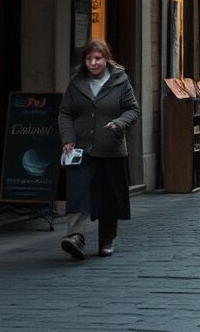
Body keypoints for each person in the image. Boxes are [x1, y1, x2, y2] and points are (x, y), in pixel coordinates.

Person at [57, 39, 140, 260]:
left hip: (111, 148)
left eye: (98, 58)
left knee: (108, 197)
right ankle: (75, 237)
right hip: (80, 150)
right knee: (77, 192)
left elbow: (133, 110)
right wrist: (67, 138)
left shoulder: (120, 81)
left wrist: (119, 123)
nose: (93, 63)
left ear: (106, 59)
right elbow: (65, 112)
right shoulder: (76, 83)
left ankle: (106, 239)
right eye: (89, 59)